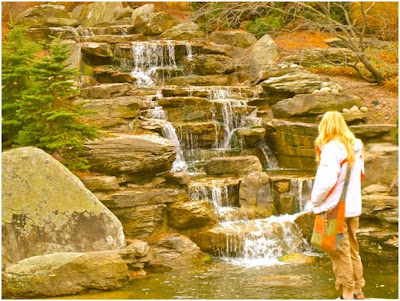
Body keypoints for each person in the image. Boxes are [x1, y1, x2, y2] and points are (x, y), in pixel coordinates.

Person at [311, 111, 366, 300]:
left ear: (325, 127)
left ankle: (347, 293)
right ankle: (358, 290)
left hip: (335, 208)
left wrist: (315, 201)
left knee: (339, 251)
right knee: (352, 248)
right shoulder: (355, 148)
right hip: (352, 207)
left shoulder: (332, 148)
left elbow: (325, 183)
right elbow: (360, 177)